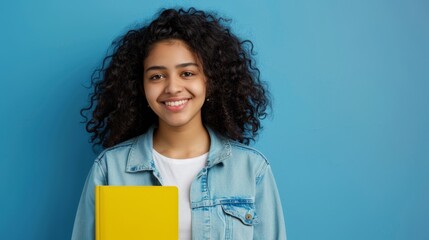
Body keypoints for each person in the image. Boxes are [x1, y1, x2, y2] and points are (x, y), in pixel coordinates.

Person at [71, 7, 286, 240]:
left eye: (187, 73)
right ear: (139, 86)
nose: (172, 88)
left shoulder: (252, 169)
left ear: (209, 80)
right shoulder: (109, 169)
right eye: (156, 76)